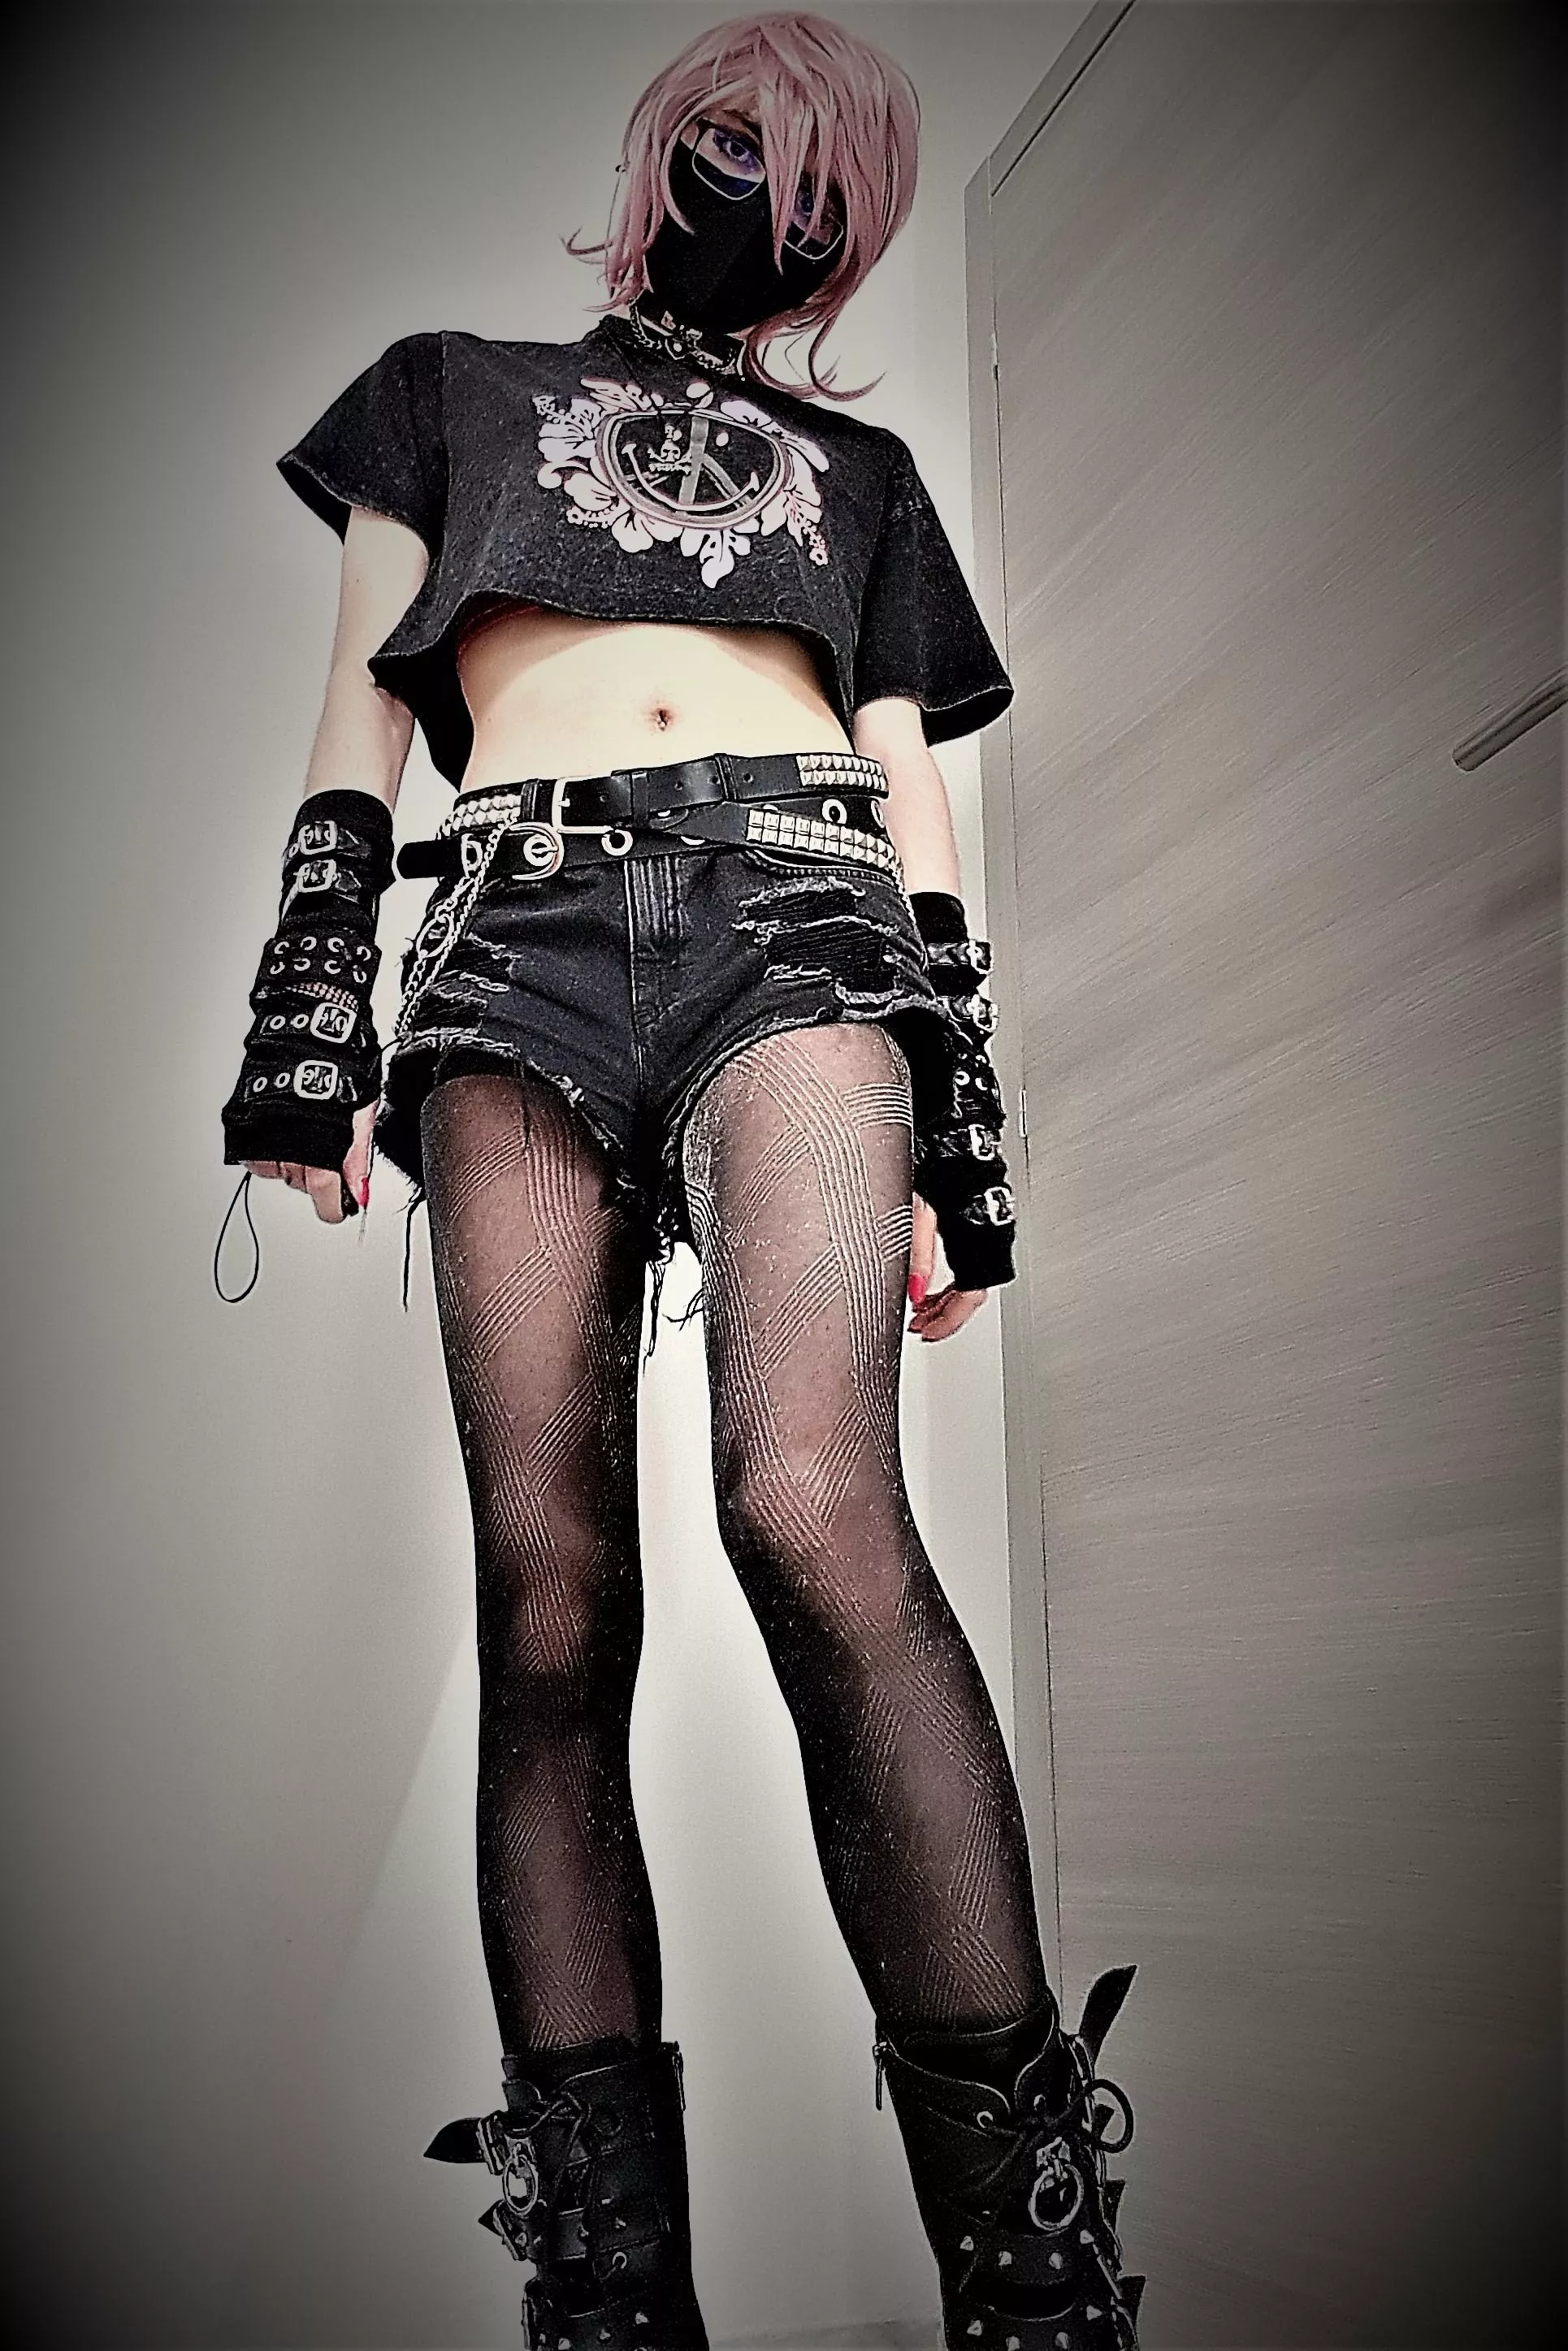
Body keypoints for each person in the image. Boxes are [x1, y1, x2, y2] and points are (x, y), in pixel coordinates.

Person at [218, 14, 1143, 2349]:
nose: (769, 199)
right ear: (660, 160)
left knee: (813, 1511)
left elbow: (917, 810)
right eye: (739, 145)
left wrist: (965, 1140)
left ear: (844, 248)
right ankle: (611, 2298)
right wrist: (308, 1018)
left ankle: (1037, 2285)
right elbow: (357, 720)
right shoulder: (445, 394)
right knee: (549, 1605)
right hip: (508, 942)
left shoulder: (865, 474)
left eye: (820, 191)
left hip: (802, 925)